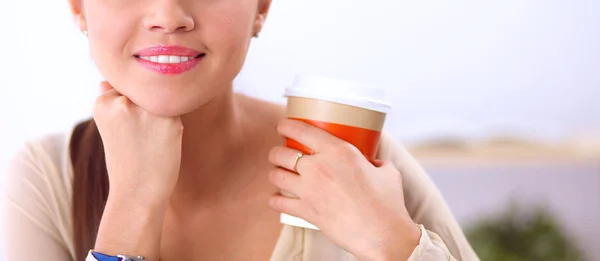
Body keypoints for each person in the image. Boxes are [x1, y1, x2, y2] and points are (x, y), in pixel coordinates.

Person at [0, 0, 479, 260]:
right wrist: (133, 203)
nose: (168, 16)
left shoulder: (355, 162)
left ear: (262, 8)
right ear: (78, 8)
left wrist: (393, 246)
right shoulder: (46, 179)